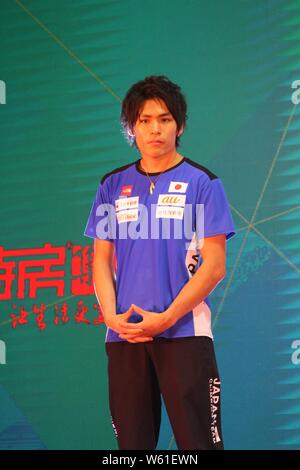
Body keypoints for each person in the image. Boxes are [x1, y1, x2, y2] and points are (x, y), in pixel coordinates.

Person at [84, 75, 235, 450]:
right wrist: (110, 317)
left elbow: (214, 265)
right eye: (144, 120)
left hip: (184, 333)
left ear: (179, 125)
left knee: (200, 446)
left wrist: (167, 317)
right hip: (126, 334)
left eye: (165, 119)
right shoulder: (111, 185)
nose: (155, 129)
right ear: (131, 128)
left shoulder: (204, 183)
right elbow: (101, 259)